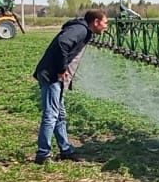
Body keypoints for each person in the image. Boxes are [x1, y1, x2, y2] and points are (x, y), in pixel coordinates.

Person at [33, 8, 107, 164]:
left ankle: (66, 150)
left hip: (51, 74)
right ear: (96, 22)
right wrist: (61, 69)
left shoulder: (80, 28)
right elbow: (62, 43)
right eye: (105, 23)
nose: (106, 27)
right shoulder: (80, 30)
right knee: (51, 115)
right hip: (51, 75)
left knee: (59, 114)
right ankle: (43, 154)